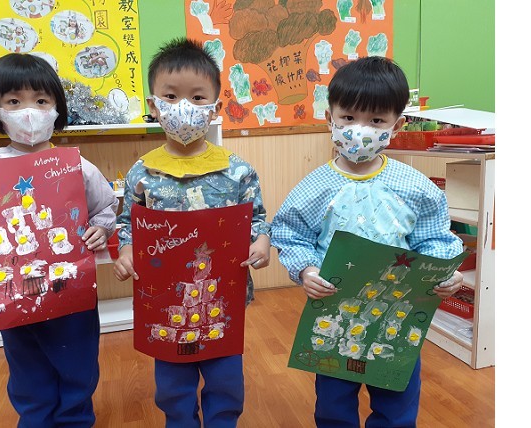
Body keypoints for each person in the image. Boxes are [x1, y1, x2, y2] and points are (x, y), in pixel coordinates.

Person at [270, 56, 465, 428]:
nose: (359, 130)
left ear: (397, 125)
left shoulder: (414, 187)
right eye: (348, 117)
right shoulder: (314, 187)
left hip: (398, 315)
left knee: (397, 403)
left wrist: (443, 272)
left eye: (376, 121)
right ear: (329, 118)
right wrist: (306, 269)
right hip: (333, 312)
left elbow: (435, 239)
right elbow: (291, 234)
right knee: (334, 403)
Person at [0, 53, 119, 428]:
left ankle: (76, 419)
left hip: (69, 291)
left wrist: (101, 229)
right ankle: (36, 419)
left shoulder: (77, 166)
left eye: (41, 100)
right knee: (26, 367)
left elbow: (105, 209)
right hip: (12, 295)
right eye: (14, 101)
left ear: (56, 108)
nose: (29, 112)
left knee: (78, 362)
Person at [113, 37, 271, 428]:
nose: (184, 106)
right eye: (171, 96)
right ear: (154, 106)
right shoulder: (142, 173)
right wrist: (126, 251)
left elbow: (257, 217)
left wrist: (261, 242)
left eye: (198, 97)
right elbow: (127, 222)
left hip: (221, 297)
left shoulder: (236, 170)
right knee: (172, 382)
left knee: (225, 378)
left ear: (215, 108)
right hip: (166, 297)